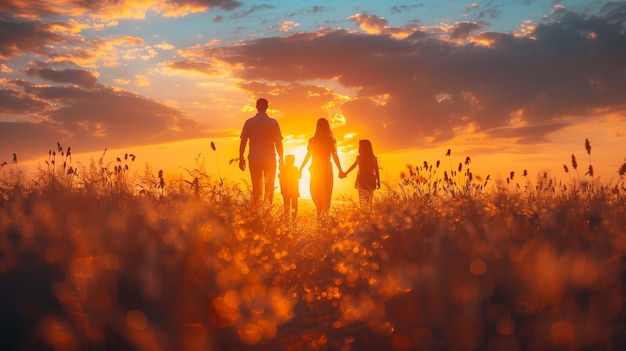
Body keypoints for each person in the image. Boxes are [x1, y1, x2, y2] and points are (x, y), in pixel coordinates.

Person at [239, 98, 284, 205]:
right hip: (269, 159)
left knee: (256, 187)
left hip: (254, 159)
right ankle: (267, 212)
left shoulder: (249, 122)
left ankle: (258, 212)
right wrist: (281, 159)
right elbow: (278, 143)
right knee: (269, 187)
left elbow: (243, 142)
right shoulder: (273, 123)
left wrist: (241, 158)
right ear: (267, 107)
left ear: (256, 106)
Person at [299, 118, 344, 222]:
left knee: (316, 191)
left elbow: (308, 155)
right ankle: (323, 217)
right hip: (326, 166)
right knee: (326, 193)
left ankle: (321, 217)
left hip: (315, 166)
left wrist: (301, 168)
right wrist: (340, 170)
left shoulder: (313, 140)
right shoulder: (329, 140)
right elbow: (334, 156)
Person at [340, 139, 380, 211]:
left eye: (360, 146)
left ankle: (365, 216)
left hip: (362, 180)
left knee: (362, 201)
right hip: (371, 180)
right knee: (369, 201)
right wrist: (378, 181)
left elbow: (354, 166)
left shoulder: (359, 157)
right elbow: (376, 170)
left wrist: (345, 173)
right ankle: (369, 216)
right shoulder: (373, 158)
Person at [278, 154, 300, 226]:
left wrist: (282, 189)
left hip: (287, 191)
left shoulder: (283, 169)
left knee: (287, 206)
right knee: (294, 206)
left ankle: (288, 222)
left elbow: (280, 178)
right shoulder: (295, 168)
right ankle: (293, 222)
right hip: (293, 190)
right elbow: (299, 176)